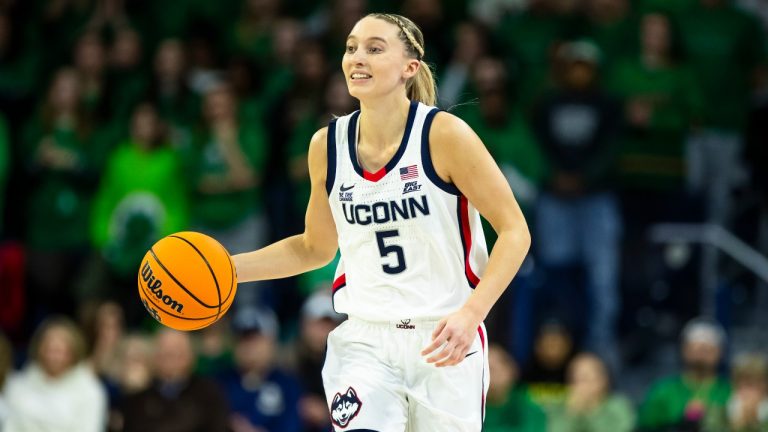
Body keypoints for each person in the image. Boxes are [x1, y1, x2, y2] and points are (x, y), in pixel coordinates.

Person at [232, 13, 531, 431]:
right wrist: (226, 270)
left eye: (375, 48)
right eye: (351, 47)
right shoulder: (326, 146)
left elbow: (515, 231)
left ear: (410, 67)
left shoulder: (444, 136)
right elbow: (314, 248)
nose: (357, 57)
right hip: (365, 340)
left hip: (444, 338)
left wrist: (472, 314)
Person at [3, 316, 107, 432]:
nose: (53, 357)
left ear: (73, 352)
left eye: (60, 350)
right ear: (38, 349)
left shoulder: (89, 391)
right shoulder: (17, 385)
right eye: (49, 349)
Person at [119, 328, 228, 432]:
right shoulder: (139, 398)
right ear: (155, 357)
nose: (170, 358)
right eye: (165, 352)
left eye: (176, 352)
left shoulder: (208, 393)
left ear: (190, 356)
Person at [638, 318, 731, 431]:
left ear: (720, 353)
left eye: (707, 349)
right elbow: (643, 427)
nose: (701, 353)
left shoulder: (730, 392)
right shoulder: (662, 391)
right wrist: (679, 423)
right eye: (695, 348)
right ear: (684, 350)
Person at [547, 353, 635, 432]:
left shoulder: (618, 406)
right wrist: (571, 414)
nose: (578, 386)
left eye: (584, 379)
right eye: (574, 380)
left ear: (602, 381)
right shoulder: (559, 408)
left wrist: (592, 411)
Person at [704, 352, 768, 432]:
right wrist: (736, 426)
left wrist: (754, 422)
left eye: (756, 382)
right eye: (745, 382)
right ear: (735, 384)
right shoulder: (718, 409)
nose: (749, 390)